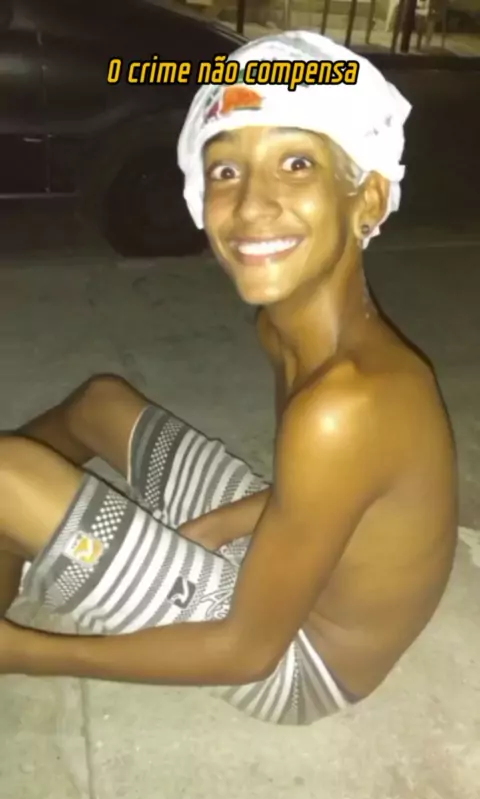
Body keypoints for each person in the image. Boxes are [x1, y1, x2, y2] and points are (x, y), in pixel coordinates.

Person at [0, 32, 457, 726]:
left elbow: (246, 653)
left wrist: (28, 652)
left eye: (296, 163)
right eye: (225, 171)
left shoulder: (349, 406)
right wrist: (211, 528)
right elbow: (313, 498)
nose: (250, 205)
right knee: (100, 404)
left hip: (302, 664)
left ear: (367, 199)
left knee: (8, 477)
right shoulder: (285, 328)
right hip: (291, 566)